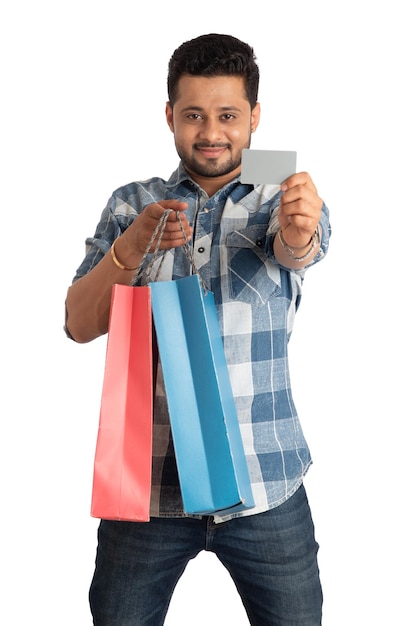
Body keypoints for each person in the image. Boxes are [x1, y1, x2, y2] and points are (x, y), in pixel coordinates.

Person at [65, 33, 331, 626]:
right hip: (148, 492)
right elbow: (78, 325)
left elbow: (298, 249)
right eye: (193, 116)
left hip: (267, 487)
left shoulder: (281, 194)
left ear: (255, 117)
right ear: (169, 117)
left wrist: (295, 234)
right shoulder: (134, 202)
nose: (211, 132)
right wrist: (128, 250)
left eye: (229, 115)